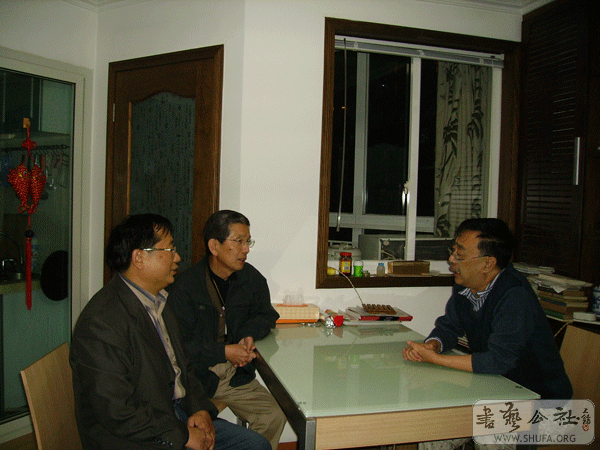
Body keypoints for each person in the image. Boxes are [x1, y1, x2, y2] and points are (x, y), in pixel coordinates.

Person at [70, 214, 271, 450]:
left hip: (174, 413)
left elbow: (184, 368)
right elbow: (117, 410)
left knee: (256, 444)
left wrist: (199, 409)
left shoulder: (159, 302)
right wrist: (182, 435)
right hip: (137, 436)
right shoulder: (101, 322)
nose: (177, 257)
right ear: (139, 258)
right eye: (169, 250)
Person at [402, 218, 572, 450]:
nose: (452, 260)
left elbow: (498, 361)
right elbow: (448, 327)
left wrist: (436, 359)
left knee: (489, 435)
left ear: (488, 263)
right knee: (435, 424)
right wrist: (433, 345)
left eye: (460, 255)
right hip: (493, 387)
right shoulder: (465, 285)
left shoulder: (515, 296)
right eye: (453, 251)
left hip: (543, 401)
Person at [168, 210, 286, 450]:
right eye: (238, 241)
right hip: (196, 378)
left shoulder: (251, 278)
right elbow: (180, 346)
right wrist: (224, 352)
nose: (246, 249)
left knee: (273, 416)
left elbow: (266, 315)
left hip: (235, 375)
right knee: (195, 432)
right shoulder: (185, 287)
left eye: (248, 241)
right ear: (214, 246)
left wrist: (248, 334)